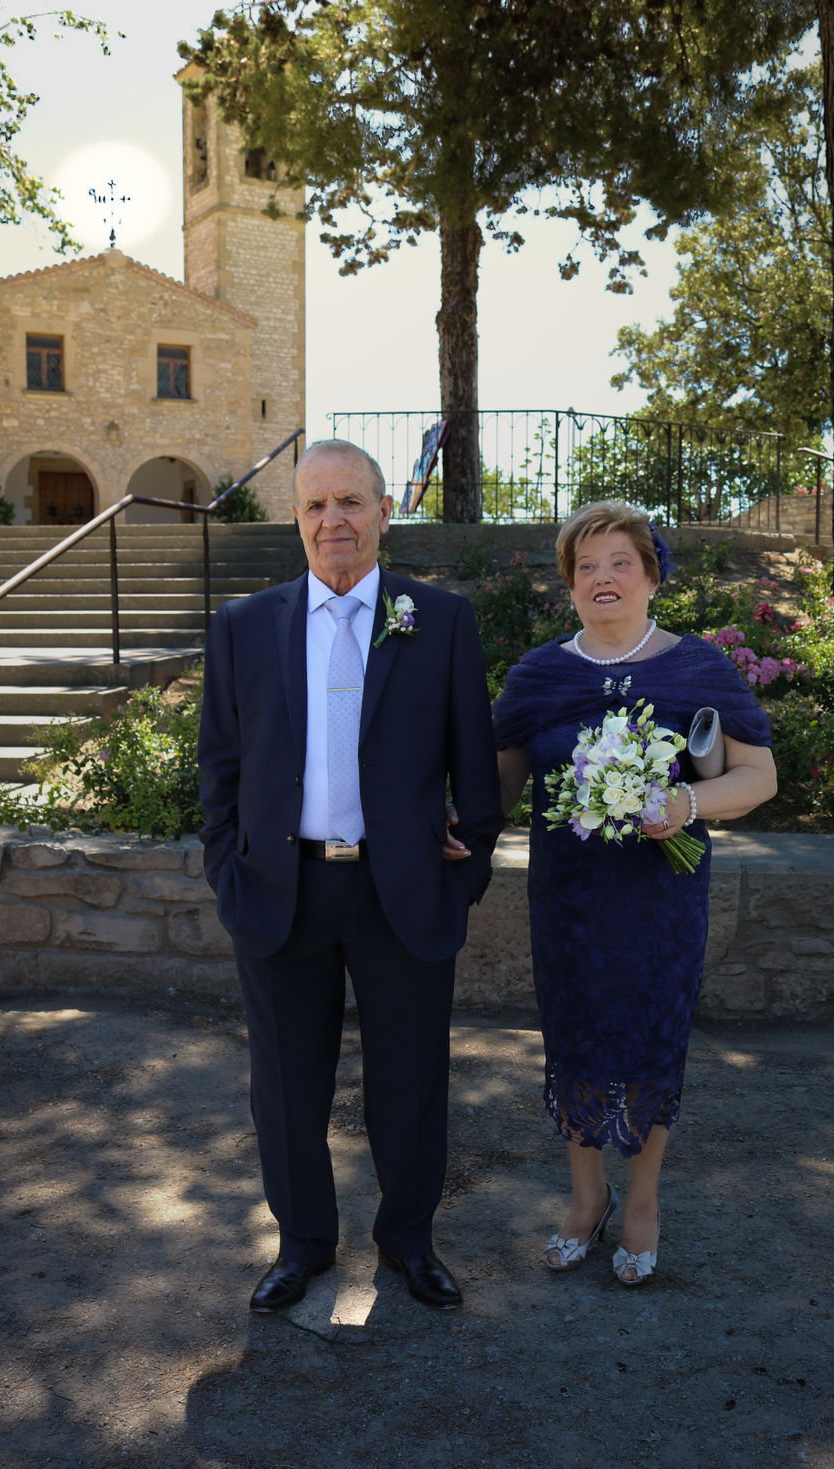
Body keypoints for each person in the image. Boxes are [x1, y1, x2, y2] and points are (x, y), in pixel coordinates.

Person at [198, 439, 502, 1313]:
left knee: (410, 1077)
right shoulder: (244, 626)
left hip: (400, 890)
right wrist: (229, 872)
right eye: (314, 505)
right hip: (279, 891)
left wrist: (465, 867)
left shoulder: (437, 619)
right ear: (296, 518)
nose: (333, 519)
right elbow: (219, 769)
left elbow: (474, 772)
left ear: (382, 512)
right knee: (287, 1085)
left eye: (351, 502)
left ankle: (409, 1240)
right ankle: (302, 1245)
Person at [493, 501, 776, 1285]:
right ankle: (586, 1196)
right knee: (575, 1033)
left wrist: (684, 804)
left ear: (653, 575)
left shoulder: (697, 668)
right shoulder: (540, 674)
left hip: (661, 902)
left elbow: (760, 776)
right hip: (571, 904)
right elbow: (498, 786)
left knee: (652, 1038)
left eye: (621, 561)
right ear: (570, 586)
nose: (603, 577)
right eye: (586, 566)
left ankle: (643, 1200)